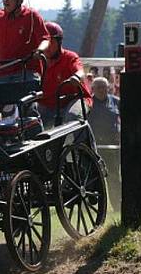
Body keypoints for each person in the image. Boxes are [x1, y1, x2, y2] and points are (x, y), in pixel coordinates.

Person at [37, 22, 91, 126]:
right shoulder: (38, 63)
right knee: (30, 121)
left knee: (73, 117)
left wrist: (76, 77)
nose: (47, 47)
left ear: (59, 42)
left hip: (75, 98)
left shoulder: (69, 57)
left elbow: (80, 71)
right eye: (44, 43)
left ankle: (82, 142)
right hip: (49, 105)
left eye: (51, 42)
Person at [88, 77, 121, 209]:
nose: (102, 90)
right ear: (93, 89)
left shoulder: (116, 102)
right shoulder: (88, 103)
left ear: (108, 88)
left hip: (112, 146)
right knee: (93, 177)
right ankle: (93, 206)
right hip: (94, 146)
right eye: (99, 87)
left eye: (104, 87)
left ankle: (117, 206)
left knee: (113, 176)